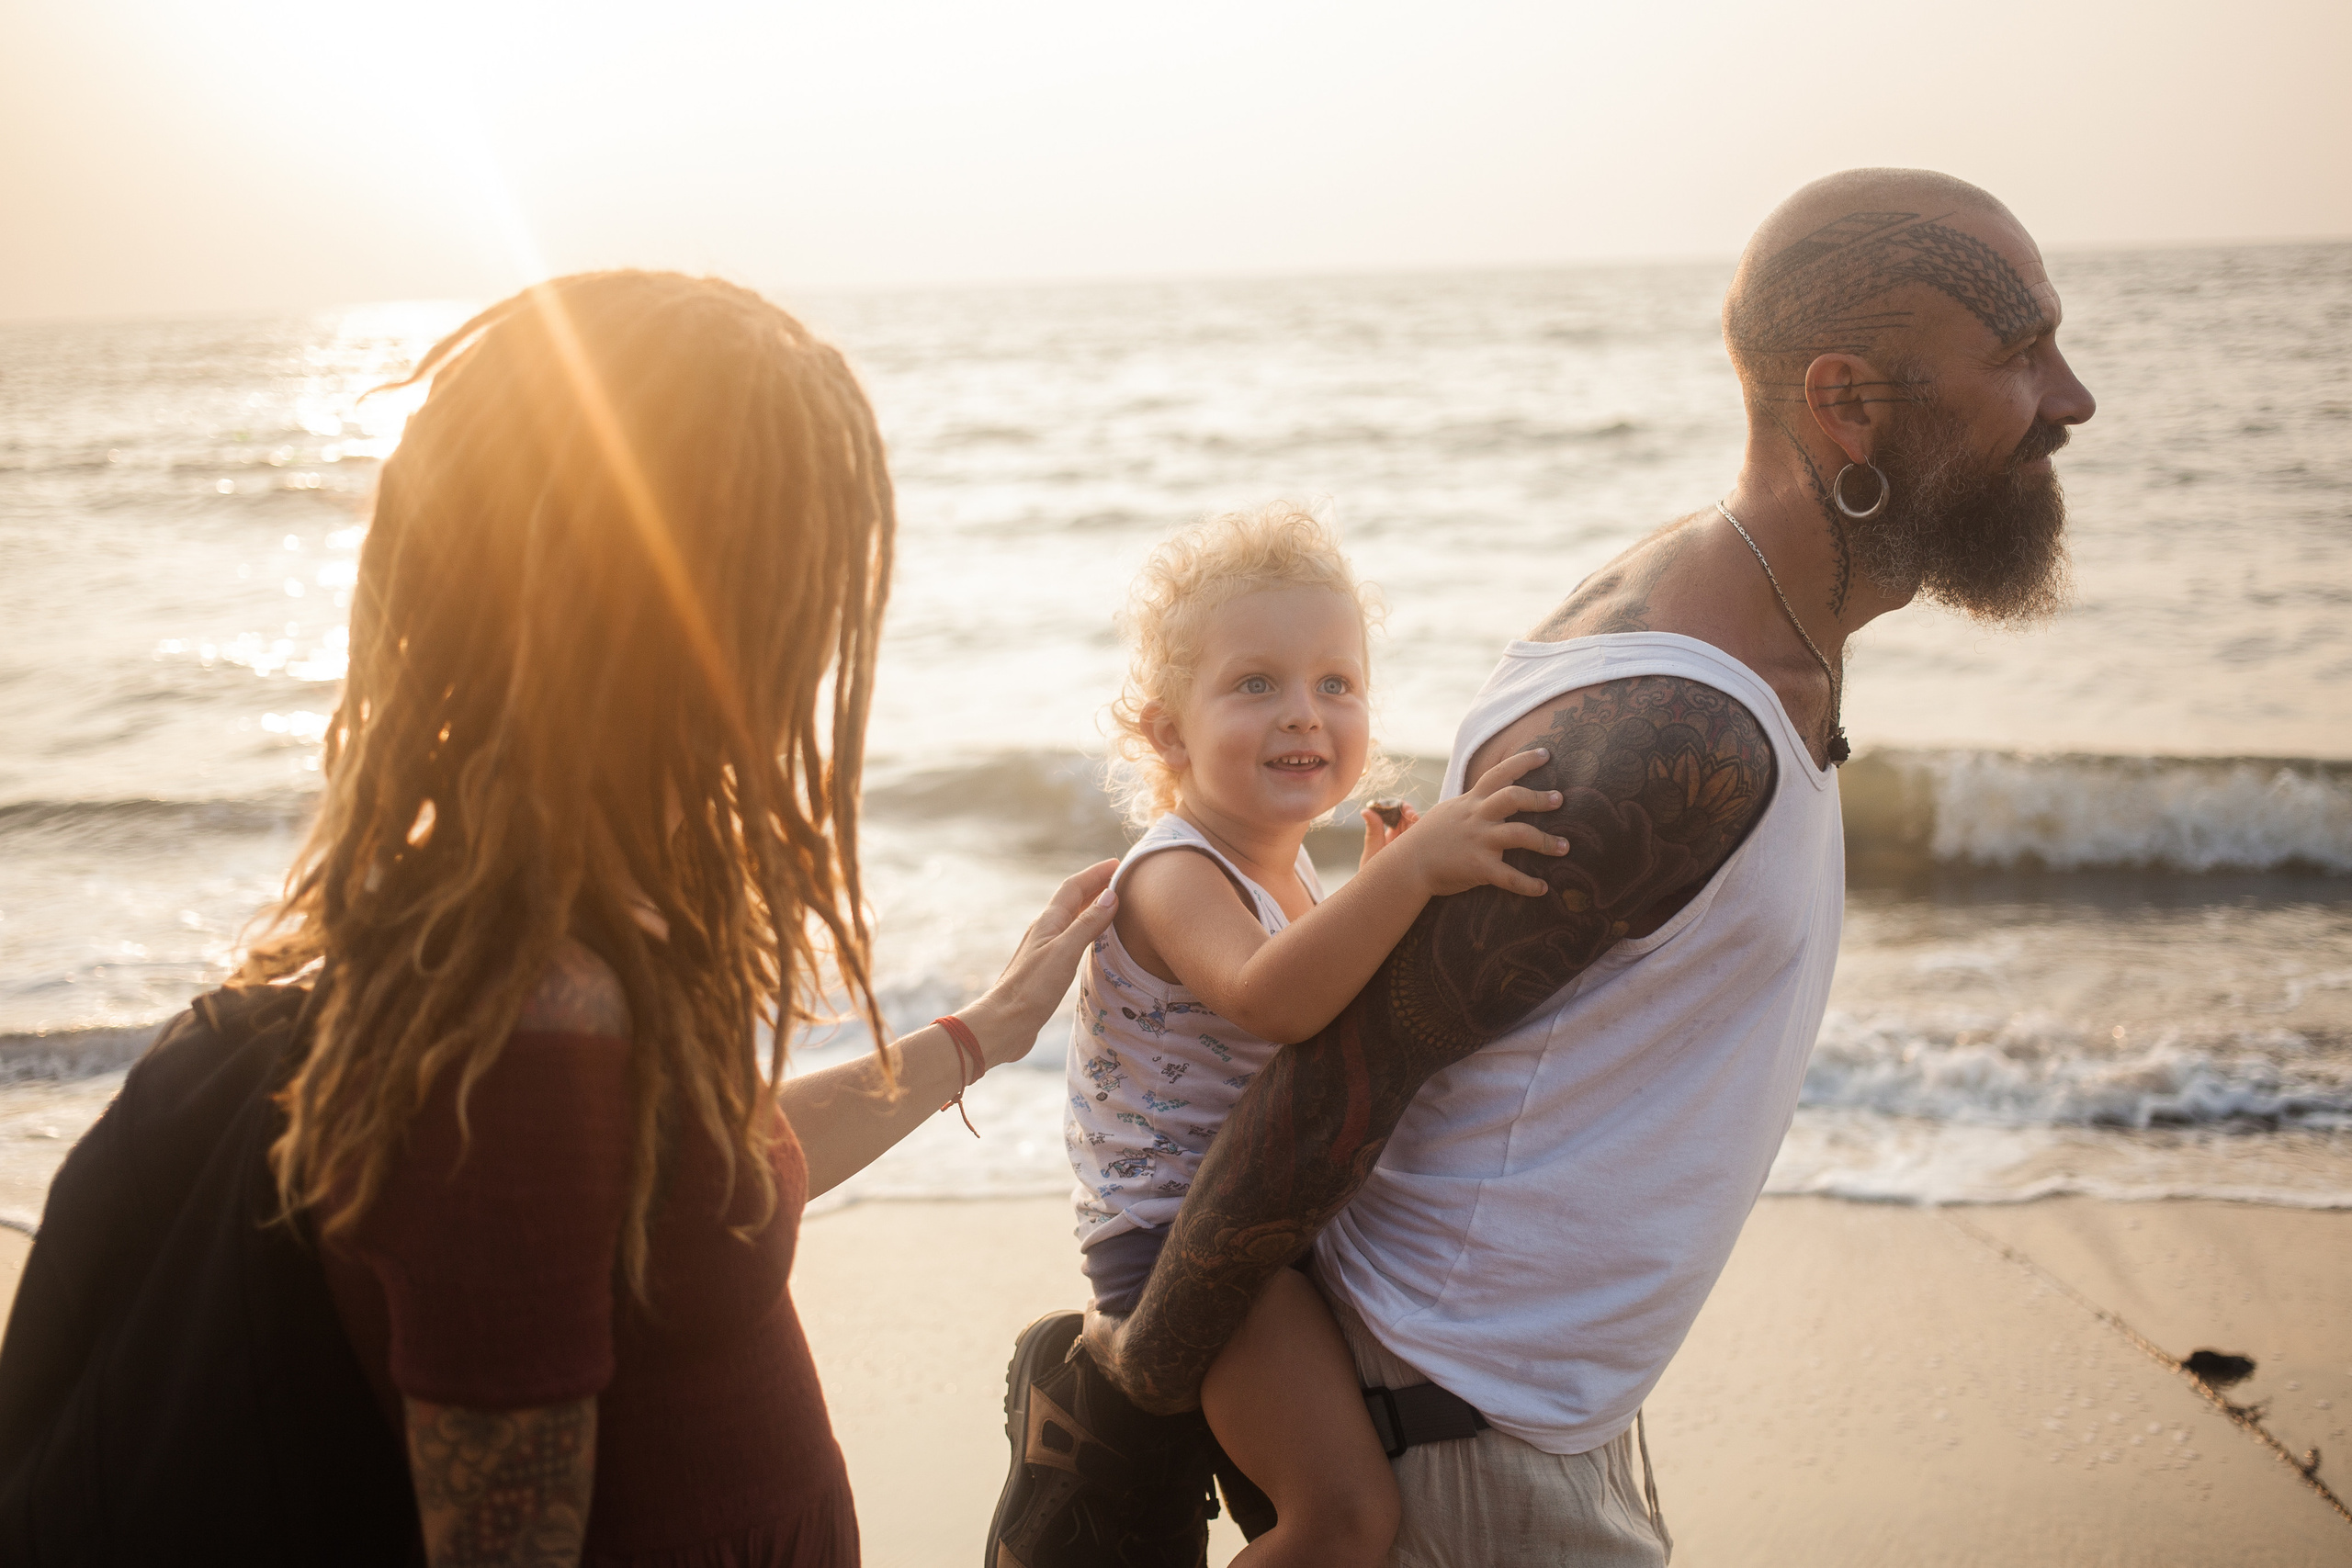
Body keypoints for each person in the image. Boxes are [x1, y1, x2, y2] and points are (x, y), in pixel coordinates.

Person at [987, 167, 2095, 1565]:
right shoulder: (1676, 724)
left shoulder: (1740, 624)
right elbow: (1334, 1072)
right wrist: (1139, 1383)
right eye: (2019, 354)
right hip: (1459, 1441)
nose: (2070, 398)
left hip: (1530, 1415)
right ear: (1845, 402)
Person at [240, 271, 1119, 1565]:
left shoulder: (568, 928)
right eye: (795, 576)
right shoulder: (521, 1025)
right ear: (663, 608)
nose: (815, 643)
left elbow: (689, 1187)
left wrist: (986, 1031)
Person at [1013, 505, 1565, 1566]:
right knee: (1345, 1522)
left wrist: (1380, 891)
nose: (1303, 715)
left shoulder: (1288, 868)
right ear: (1167, 731)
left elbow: (1333, 1010)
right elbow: (1273, 1000)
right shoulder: (1172, 873)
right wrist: (1408, 875)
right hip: (1185, 1246)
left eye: (1335, 684)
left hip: (1262, 1208)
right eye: (1254, 683)